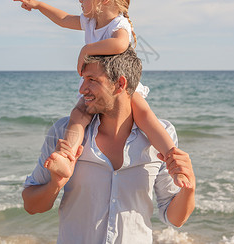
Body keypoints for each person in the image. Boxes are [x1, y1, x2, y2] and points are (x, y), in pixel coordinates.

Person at [14, 0, 190, 188]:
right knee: (77, 115)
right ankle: (67, 156)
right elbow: (63, 19)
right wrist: (39, 5)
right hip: (98, 88)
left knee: (146, 117)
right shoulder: (89, 22)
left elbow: (120, 44)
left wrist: (86, 50)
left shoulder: (119, 24)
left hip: (121, 85)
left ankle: (174, 160)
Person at [22, 47, 195, 243]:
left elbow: (175, 219)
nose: (81, 89)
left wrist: (189, 187)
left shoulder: (161, 136)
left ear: (120, 84)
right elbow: (31, 205)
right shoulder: (64, 132)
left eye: (92, 80)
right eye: (83, 79)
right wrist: (55, 184)